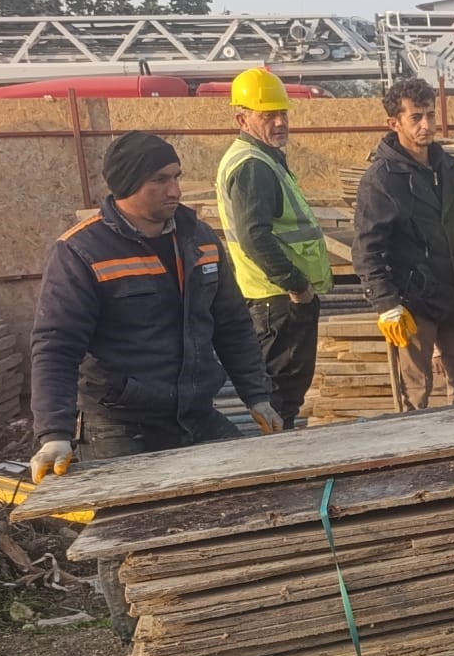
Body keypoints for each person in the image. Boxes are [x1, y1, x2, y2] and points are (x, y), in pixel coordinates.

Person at [31, 130, 283, 475]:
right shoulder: (81, 252)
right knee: (140, 510)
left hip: (195, 415)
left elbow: (232, 323)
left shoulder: (199, 239)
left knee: (251, 484)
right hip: (121, 425)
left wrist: (257, 395)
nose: (175, 190)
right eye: (160, 180)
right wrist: (55, 434)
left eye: (176, 177)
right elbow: (56, 346)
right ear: (128, 183)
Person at [353, 77, 454, 410]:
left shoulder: (447, 167)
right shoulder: (381, 180)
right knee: (414, 395)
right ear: (394, 123)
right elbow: (367, 249)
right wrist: (386, 304)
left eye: (430, 114)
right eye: (415, 117)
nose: (426, 125)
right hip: (412, 305)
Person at [215, 67, 332, 425]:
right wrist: (297, 286)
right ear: (242, 119)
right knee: (280, 397)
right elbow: (255, 236)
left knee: (283, 395)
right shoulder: (253, 165)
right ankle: (277, 454)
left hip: (276, 298)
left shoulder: (262, 158)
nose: (280, 122)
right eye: (268, 116)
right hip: (279, 300)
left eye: (282, 113)